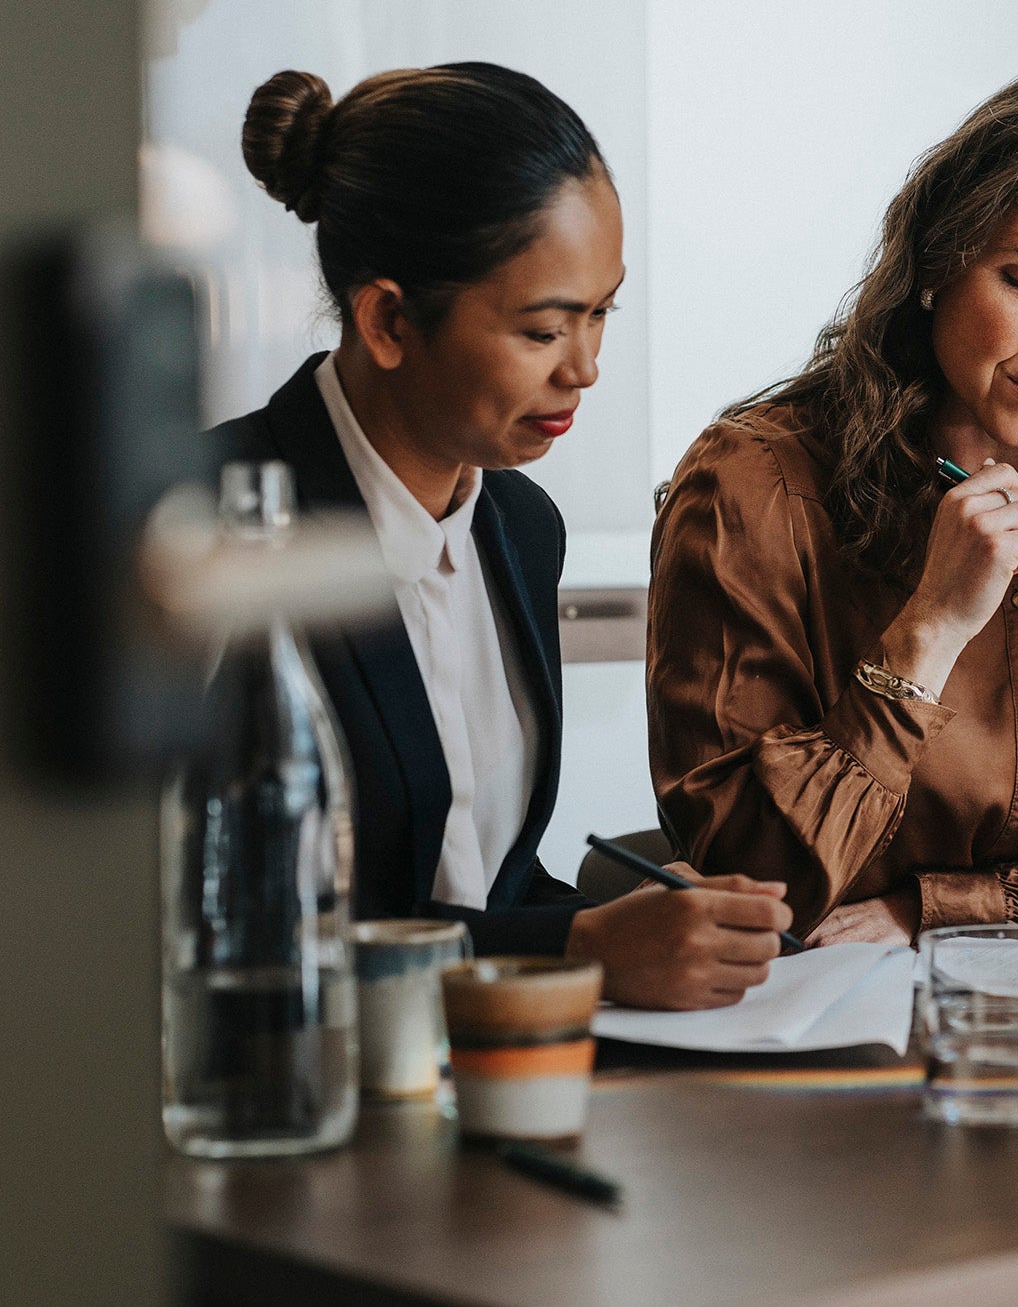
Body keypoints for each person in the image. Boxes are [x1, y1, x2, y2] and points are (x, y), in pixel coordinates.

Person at [208, 63, 790, 1010]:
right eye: (545, 330)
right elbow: (232, 930)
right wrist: (581, 947)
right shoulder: (221, 525)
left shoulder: (521, 527)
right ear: (390, 319)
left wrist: (672, 935)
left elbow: (487, 892)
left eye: (602, 312)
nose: (588, 368)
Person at [647, 64, 1018, 945]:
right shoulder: (755, 488)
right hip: (816, 1021)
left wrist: (928, 914)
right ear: (938, 264)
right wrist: (929, 629)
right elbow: (747, 872)